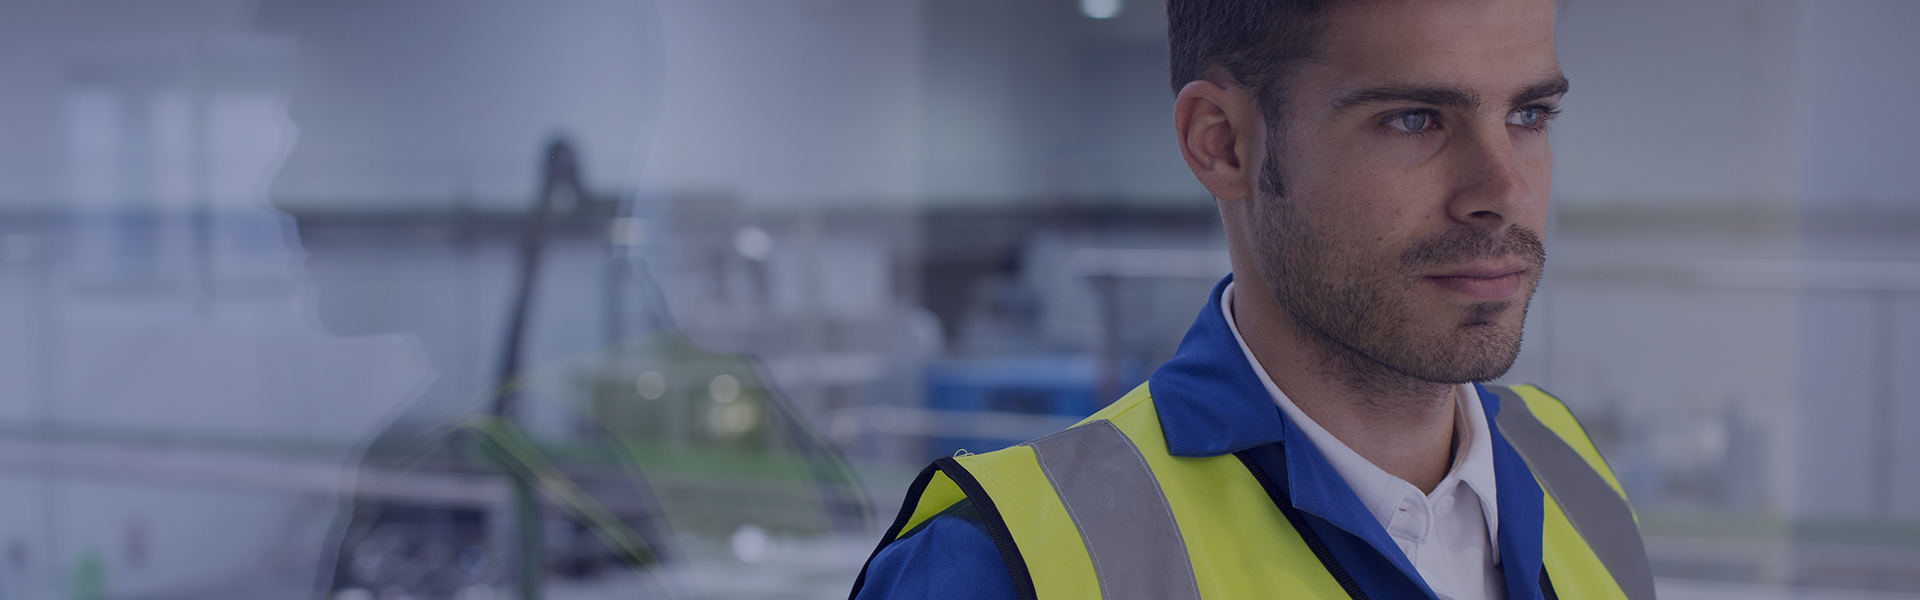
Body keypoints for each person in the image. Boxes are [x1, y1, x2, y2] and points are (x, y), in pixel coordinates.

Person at [848, 0, 1654, 599]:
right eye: (1414, 119)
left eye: (1530, 114)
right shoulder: (1002, 567)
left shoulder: (1566, 464)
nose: (1504, 192)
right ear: (1222, 143)